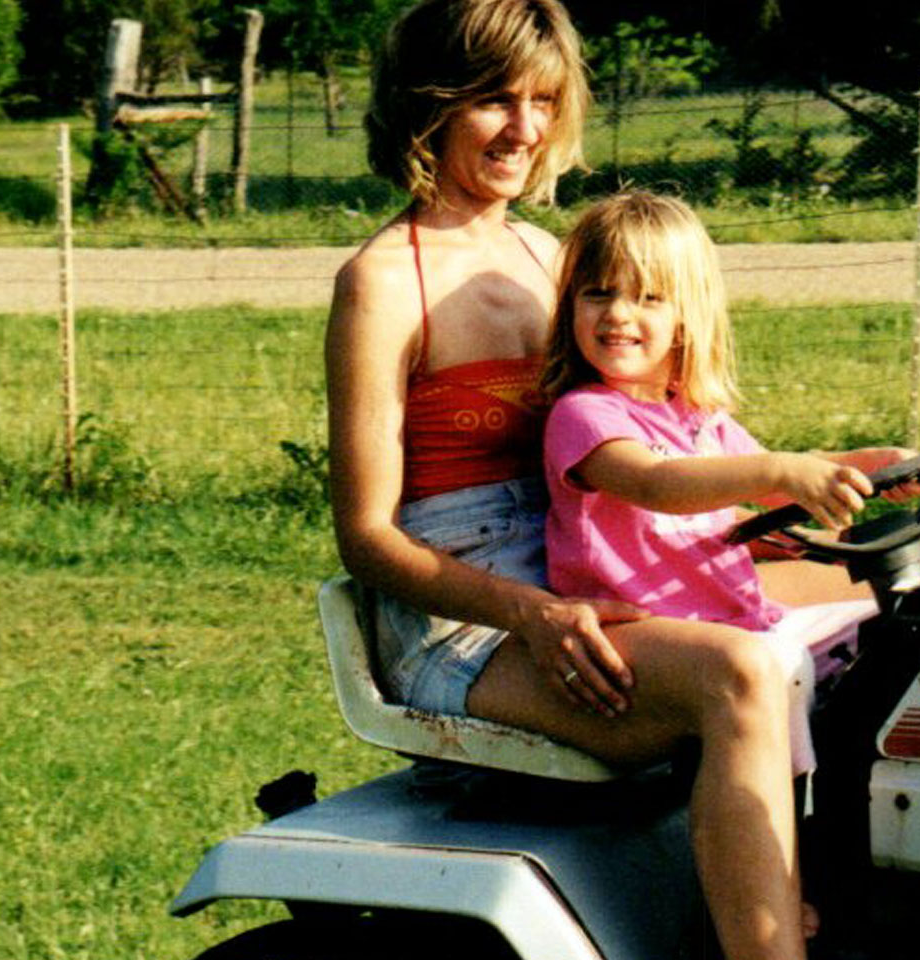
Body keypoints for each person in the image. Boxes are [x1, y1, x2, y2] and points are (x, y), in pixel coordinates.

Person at [327, 3, 857, 959]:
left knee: (892, 593)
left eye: (543, 99)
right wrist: (530, 614)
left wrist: (789, 504)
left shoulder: (552, 258)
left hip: (601, 570)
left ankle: (857, 893)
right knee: (735, 671)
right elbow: (367, 536)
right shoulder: (381, 282)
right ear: (427, 106)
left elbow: (650, 430)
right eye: (493, 100)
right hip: (471, 624)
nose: (525, 129)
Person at [537, 191, 917, 775]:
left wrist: (869, 464)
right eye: (599, 293)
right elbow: (658, 483)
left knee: (918, 611)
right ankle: (795, 810)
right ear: (571, 309)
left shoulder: (696, 416)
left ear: (686, 317)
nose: (618, 313)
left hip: (732, 619)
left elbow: (779, 487)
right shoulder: (584, 416)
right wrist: (781, 469)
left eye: (648, 297)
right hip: (649, 638)